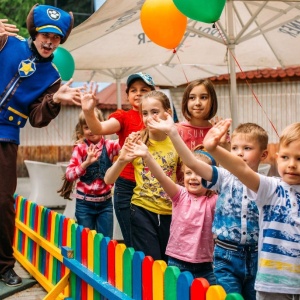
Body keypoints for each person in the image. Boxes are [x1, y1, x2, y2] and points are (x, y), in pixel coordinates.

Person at [0, 4, 81, 286]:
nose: (49, 41)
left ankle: (4, 266)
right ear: (34, 32)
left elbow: (37, 118)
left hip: (5, 137)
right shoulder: (5, 42)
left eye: (56, 37)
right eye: (45, 34)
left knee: (2, 203)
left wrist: (55, 101)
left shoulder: (53, 78)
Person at [146, 115, 269, 300]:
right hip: (225, 255)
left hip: (256, 254)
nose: (240, 153)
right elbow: (192, 162)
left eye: (247, 148)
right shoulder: (224, 178)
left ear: (264, 155)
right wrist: (173, 133)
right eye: (235, 148)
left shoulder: (268, 185)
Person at [202, 120, 300, 300]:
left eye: (299, 158)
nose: (292, 164)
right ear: (276, 157)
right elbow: (240, 169)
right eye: (285, 157)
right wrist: (213, 148)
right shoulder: (272, 187)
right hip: (272, 283)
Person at [104, 91, 182, 261]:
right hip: (142, 210)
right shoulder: (136, 140)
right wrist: (121, 160)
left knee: (169, 265)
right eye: (145, 113)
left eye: (155, 112)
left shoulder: (176, 140)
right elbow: (108, 179)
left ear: (167, 113)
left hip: (171, 212)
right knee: (151, 262)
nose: (149, 118)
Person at [80, 72, 155, 247]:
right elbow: (99, 128)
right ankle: (137, 274)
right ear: (127, 95)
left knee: (153, 239)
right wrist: (88, 112)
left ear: (153, 93)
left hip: (154, 185)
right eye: (133, 90)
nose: (138, 93)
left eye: (144, 90)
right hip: (127, 186)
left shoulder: (159, 118)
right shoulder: (124, 116)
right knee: (134, 241)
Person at [127, 140, 217, 284]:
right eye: (188, 173)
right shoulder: (180, 195)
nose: (193, 177)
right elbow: (162, 177)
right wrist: (147, 156)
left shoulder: (214, 200)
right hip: (177, 262)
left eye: (199, 173)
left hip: (205, 265)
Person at [65, 106, 120, 237]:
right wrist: (85, 164)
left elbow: (125, 144)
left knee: (106, 242)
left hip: (105, 204)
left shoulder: (110, 146)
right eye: (86, 127)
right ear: (82, 129)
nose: (90, 130)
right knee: (85, 241)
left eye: (93, 125)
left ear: (101, 125)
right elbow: (69, 174)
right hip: (84, 204)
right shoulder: (80, 148)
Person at [177, 78, 230, 151]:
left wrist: (223, 144)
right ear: (186, 101)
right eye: (192, 98)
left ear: (212, 101)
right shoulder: (176, 130)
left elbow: (232, 159)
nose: (198, 103)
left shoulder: (219, 132)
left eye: (203, 97)